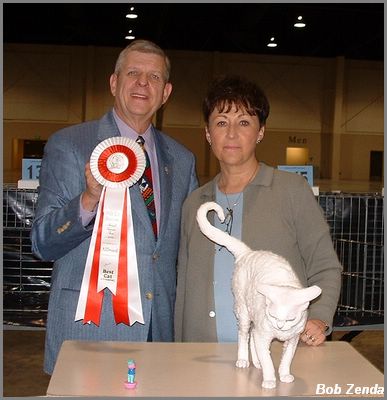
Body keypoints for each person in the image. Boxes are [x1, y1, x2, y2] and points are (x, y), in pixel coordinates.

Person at [31, 39, 198, 374]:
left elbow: (186, 248)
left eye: (153, 78)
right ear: (114, 82)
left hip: (158, 333)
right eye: (133, 73)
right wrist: (88, 201)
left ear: (165, 93)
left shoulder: (182, 160)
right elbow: (42, 242)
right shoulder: (70, 144)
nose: (141, 83)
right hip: (89, 330)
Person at [174, 75, 342, 347]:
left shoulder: (291, 191)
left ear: (260, 131)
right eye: (220, 123)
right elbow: (183, 289)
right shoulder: (194, 203)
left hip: (271, 358)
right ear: (207, 133)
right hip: (201, 354)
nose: (231, 133)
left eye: (243, 122)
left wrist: (319, 318)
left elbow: (325, 266)